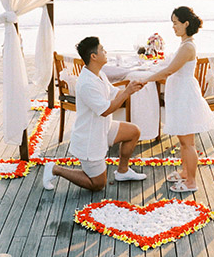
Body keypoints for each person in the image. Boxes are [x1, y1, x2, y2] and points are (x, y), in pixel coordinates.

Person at [42, 36, 146, 192]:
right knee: (97, 184)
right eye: (102, 49)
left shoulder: (98, 73)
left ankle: (123, 171)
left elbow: (114, 94)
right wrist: (128, 92)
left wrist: (132, 88)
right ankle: (56, 169)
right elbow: (105, 111)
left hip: (104, 128)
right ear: (93, 56)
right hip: (90, 139)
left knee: (133, 131)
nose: (105, 51)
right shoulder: (86, 84)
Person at [142, 6, 214, 194]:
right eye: (172, 23)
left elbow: (170, 70)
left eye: (176, 23)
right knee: (183, 141)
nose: (173, 27)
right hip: (179, 95)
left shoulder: (188, 46)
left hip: (185, 96)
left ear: (186, 23)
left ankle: (191, 181)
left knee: (188, 142)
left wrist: (146, 79)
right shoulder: (184, 44)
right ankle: (185, 172)